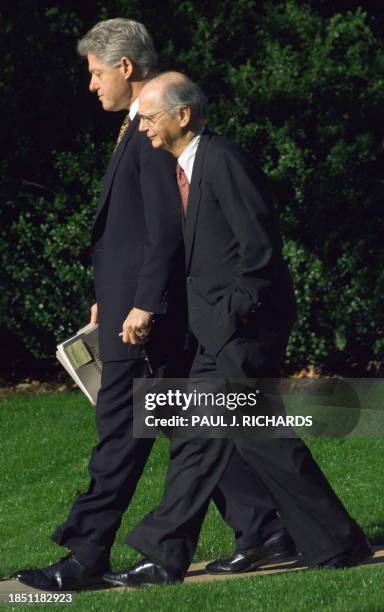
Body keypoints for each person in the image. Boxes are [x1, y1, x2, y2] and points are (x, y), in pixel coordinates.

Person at [15, 20, 292, 592]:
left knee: (120, 433)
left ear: (124, 67)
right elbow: (137, 231)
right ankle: (262, 525)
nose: (91, 85)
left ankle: (84, 556)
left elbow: (168, 229)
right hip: (126, 311)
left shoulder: (150, 130)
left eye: (95, 73)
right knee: (183, 423)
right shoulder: (137, 129)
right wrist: (109, 298)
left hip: (142, 322)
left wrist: (142, 305)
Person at [103, 72, 372, 588]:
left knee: (260, 440)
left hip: (240, 330)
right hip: (215, 331)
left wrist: (230, 316)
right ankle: (167, 555)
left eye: (150, 118)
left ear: (182, 116)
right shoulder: (187, 166)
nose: (142, 129)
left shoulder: (222, 161)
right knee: (205, 439)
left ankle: (337, 540)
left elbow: (260, 252)